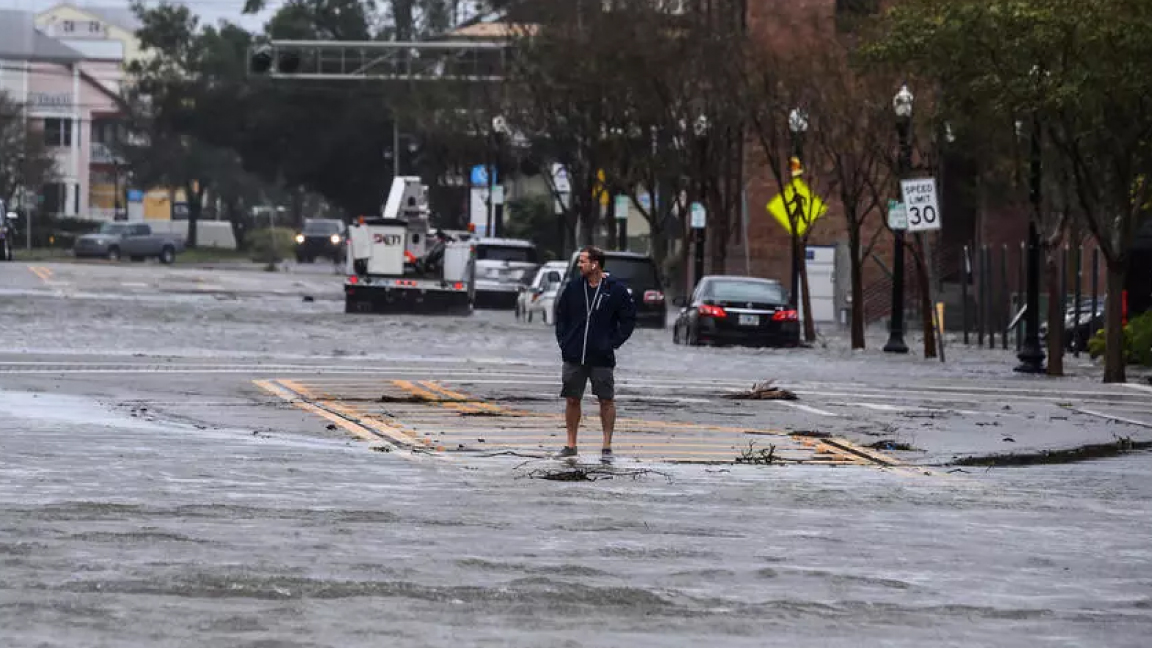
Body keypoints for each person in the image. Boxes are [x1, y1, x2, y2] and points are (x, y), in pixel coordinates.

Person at [553, 246, 637, 463]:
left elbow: (628, 320)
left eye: (582, 261)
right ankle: (571, 445)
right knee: (572, 398)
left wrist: (613, 343)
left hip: (602, 356)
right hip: (574, 355)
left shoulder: (615, 289)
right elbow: (561, 317)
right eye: (579, 262)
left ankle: (607, 446)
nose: (579, 265)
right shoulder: (573, 288)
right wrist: (565, 342)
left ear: (595, 264)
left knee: (606, 400)